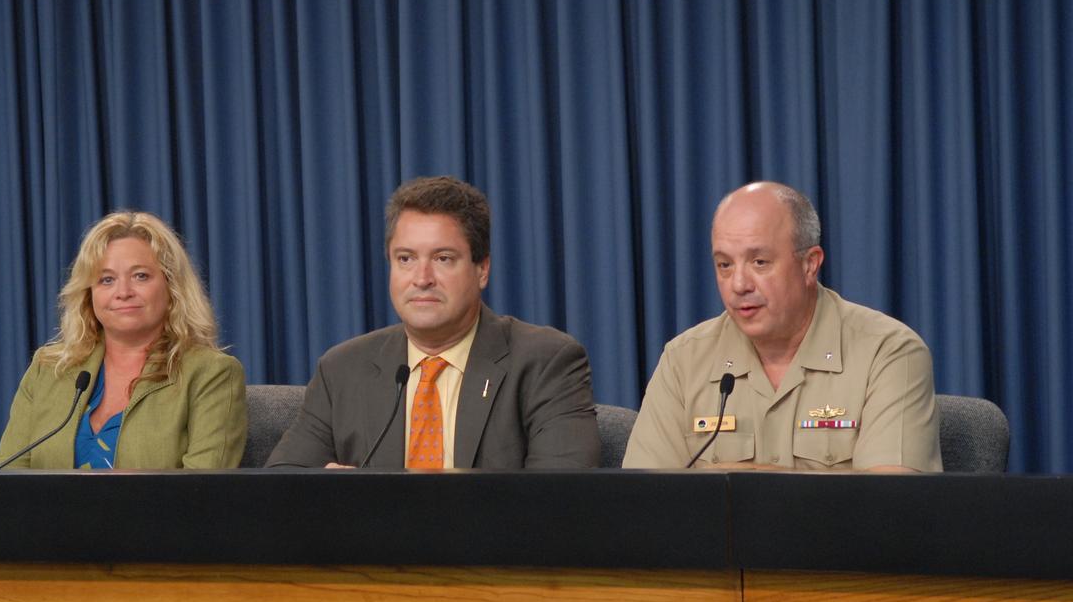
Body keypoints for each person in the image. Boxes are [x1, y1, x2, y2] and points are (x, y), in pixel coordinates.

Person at [267, 176, 599, 469]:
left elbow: (560, 504)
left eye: (443, 259)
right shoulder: (342, 369)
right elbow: (280, 490)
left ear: (482, 268)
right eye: (406, 259)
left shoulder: (545, 362)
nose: (422, 279)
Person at [623, 181, 941, 471]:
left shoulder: (889, 352)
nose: (738, 284)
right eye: (724, 265)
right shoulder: (684, 359)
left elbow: (892, 511)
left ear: (809, 264)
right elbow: (644, 506)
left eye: (759, 262)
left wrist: (746, 484)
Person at [0, 210, 247, 469]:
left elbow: (204, 494)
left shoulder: (211, 373)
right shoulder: (48, 369)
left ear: (172, 288)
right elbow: (5, 474)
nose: (123, 292)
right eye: (106, 279)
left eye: (140, 276)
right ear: (89, 295)